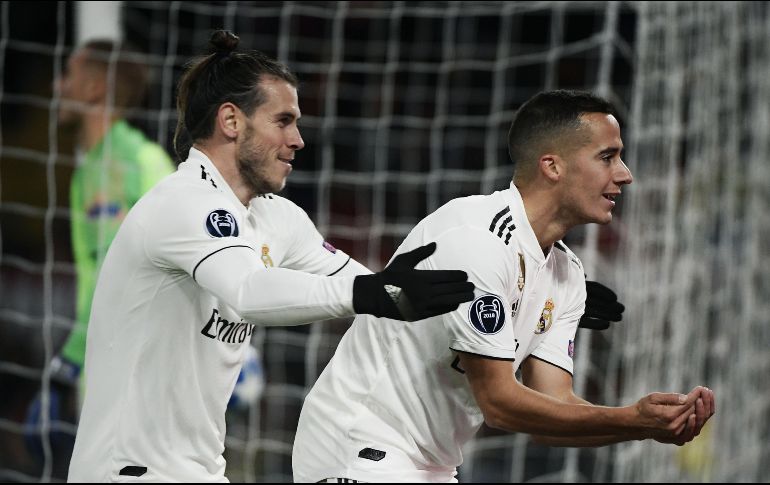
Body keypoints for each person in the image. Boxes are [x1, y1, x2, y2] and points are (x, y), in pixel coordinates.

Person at [66, 30, 475, 483]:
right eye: (283, 121)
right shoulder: (183, 202)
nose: (297, 140)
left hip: (198, 471)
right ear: (231, 121)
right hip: (127, 471)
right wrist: (371, 292)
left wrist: (474, 309)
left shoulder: (276, 218)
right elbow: (250, 291)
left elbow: (366, 288)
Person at [292, 90, 716, 483]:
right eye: (607, 157)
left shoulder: (566, 273)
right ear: (552, 166)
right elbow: (498, 403)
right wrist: (631, 419)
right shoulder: (479, 240)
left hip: (430, 463)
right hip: (358, 444)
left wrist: (645, 426)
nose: (625, 175)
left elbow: (555, 407)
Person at [24, 39, 176, 464]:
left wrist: (67, 364)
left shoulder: (123, 164)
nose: (57, 86)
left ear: (93, 88)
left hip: (138, 385)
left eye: (68, 75)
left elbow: (118, 273)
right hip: (121, 380)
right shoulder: (98, 167)